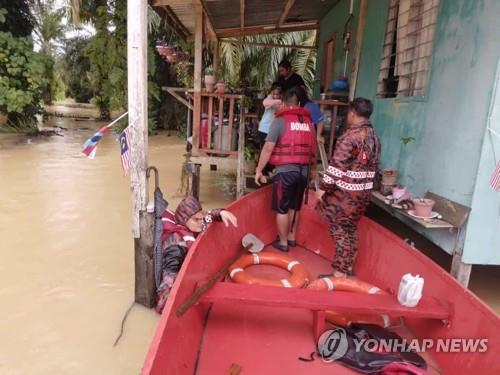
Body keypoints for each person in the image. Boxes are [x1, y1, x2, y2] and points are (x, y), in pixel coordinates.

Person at [316, 98, 381, 277]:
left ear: (352, 113)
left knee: (339, 229)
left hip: (346, 196)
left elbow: (337, 166)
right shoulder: (374, 136)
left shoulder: (350, 136)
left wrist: (323, 188)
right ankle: (348, 268)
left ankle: (339, 274)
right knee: (350, 228)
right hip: (364, 194)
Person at [255, 87, 317, 252]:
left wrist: (259, 170)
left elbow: (268, 147)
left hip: (285, 173)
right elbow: (313, 150)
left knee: (282, 208)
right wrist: (313, 173)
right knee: (294, 207)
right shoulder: (308, 123)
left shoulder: (280, 121)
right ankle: (291, 238)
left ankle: (282, 243)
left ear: (283, 103)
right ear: (298, 103)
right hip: (303, 172)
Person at [156, 195, 237, 313]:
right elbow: (168, 280)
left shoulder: (190, 224)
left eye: (201, 218)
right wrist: (167, 307)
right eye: (196, 220)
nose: (201, 222)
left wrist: (220, 213)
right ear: (185, 220)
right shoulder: (176, 248)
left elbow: (206, 217)